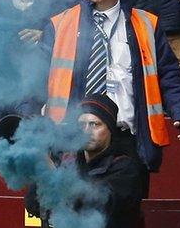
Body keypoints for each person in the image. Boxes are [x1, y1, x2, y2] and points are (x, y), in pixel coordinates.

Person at [42, 0, 180, 197]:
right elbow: (36, 76)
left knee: (123, 215)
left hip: (128, 137)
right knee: (72, 214)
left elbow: (167, 72)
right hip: (75, 138)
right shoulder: (60, 24)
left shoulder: (145, 23)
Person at [25, 94, 144, 228]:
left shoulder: (125, 168)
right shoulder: (67, 161)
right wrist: (42, 173)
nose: (87, 131)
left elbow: (99, 205)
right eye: (81, 125)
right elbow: (33, 206)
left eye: (94, 124)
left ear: (110, 129)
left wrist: (54, 177)